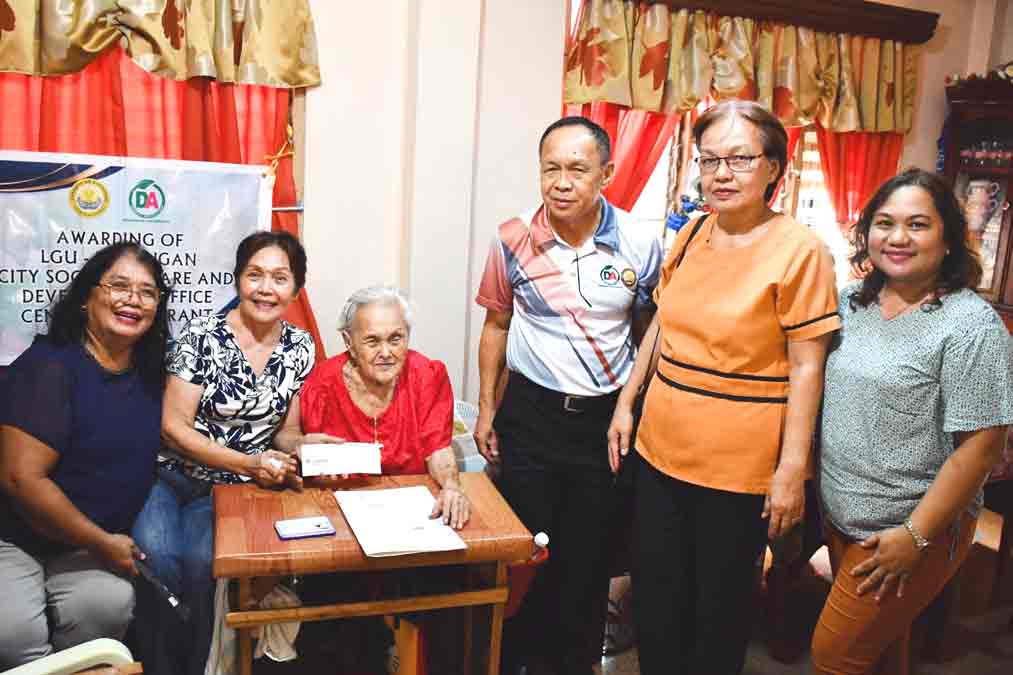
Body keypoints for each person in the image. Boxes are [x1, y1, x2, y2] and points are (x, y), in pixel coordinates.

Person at [606, 100, 840, 675]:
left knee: (718, 611)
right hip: (661, 450)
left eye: (739, 159)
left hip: (738, 468)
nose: (721, 174)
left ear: (775, 170)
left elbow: (808, 367)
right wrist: (626, 402)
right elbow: (662, 321)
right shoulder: (694, 232)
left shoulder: (800, 251)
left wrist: (791, 470)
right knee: (658, 598)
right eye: (709, 160)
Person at [474, 116, 662, 674]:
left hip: (602, 425)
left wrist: (629, 405)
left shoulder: (638, 241)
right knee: (525, 553)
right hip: (529, 414)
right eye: (550, 168)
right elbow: (496, 326)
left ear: (606, 173)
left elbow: (653, 327)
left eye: (576, 170)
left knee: (587, 559)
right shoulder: (512, 239)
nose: (561, 182)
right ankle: (512, 663)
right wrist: (487, 408)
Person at [811, 168, 1013, 673]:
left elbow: (981, 449)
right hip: (841, 516)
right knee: (878, 652)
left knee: (833, 655)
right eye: (885, 223)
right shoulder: (851, 303)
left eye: (918, 224)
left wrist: (915, 536)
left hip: (907, 531)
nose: (898, 238)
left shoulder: (970, 325)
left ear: (947, 239)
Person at [131, 231, 317, 675]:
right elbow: (172, 428)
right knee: (156, 558)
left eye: (279, 278)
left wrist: (309, 446)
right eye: (254, 275)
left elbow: (286, 433)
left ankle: (198, 668)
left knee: (202, 568)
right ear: (237, 279)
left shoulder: (300, 347)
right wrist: (249, 462)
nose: (265, 288)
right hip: (171, 476)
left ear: (296, 289)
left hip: (230, 491)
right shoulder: (200, 336)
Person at [0, 242, 170, 668]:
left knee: (107, 605)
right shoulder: (48, 367)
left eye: (147, 292)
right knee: (12, 630)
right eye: (119, 285)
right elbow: (22, 479)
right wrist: (102, 542)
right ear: (85, 298)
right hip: (16, 539)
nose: (133, 299)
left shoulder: (150, 377)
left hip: (85, 549)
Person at [299, 285, 469, 527]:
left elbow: (438, 449)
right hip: (341, 509)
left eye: (396, 339)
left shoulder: (427, 375)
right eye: (372, 341)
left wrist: (452, 486)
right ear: (349, 342)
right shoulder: (322, 385)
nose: (386, 352)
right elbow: (312, 457)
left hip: (416, 512)